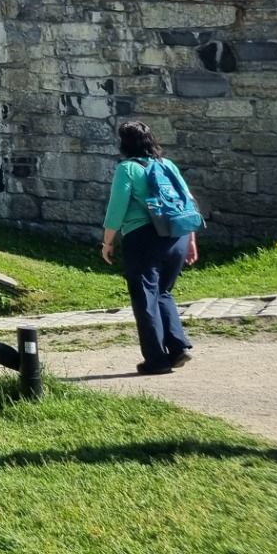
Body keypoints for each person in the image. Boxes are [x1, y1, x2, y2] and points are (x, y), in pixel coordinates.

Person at [101, 119, 198, 374]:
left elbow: (116, 210)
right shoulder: (167, 165)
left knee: (145, 298)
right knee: (163, 293)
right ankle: (178, 347)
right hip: (177, 235)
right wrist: (190, 240)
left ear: (124, 144)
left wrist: (107, 242)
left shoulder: (127, 169)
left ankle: (156, 360)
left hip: (143, 238)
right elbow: (188, 202)